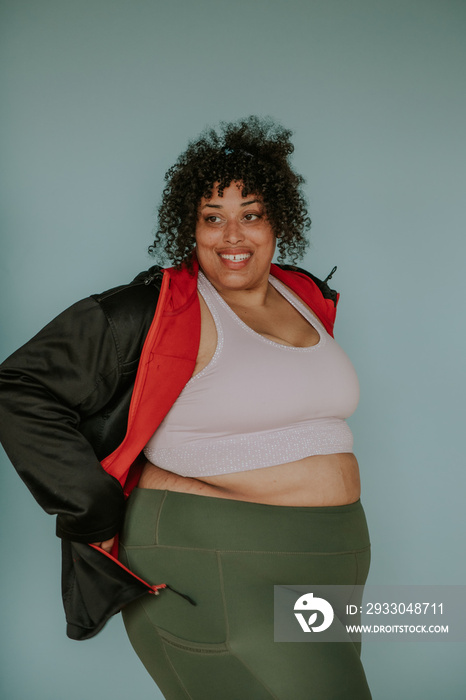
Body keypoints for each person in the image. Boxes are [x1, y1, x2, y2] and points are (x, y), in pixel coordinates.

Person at [0, 116, 372, 699]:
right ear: (189, 226)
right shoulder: (155, 308)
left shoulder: (302, 295)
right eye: (212, 217)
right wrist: (90, 509)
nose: (232, 235)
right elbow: (21, 387)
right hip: (219, 560)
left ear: (279, 221)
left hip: (331, 557)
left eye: (250, 214)